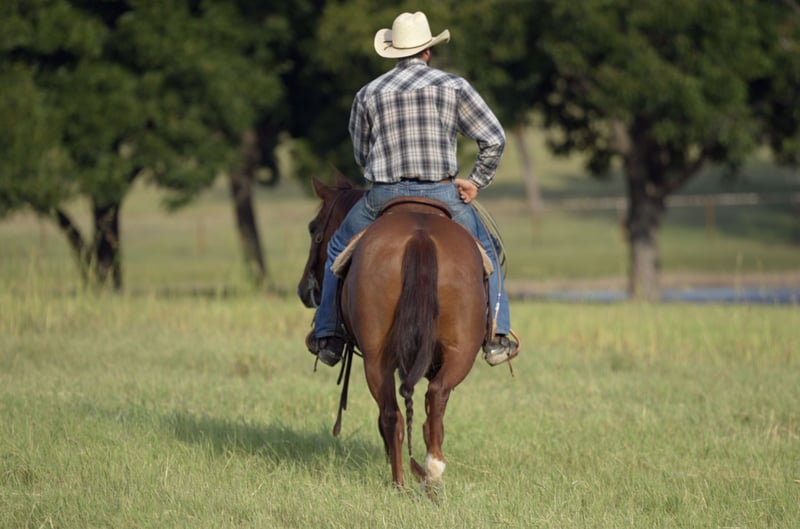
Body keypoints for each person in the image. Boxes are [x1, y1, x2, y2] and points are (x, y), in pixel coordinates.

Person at [306, 11, 518, 367]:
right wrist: (476, 181)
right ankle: (498, 335)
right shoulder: (454, 86)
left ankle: (329, 334)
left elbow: (361, 153)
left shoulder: (368, 93)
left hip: (384, 196)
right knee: (490, 251)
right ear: (427, 51)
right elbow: (494, 138)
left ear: (394, 52)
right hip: (443, 193)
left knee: (337, 248)